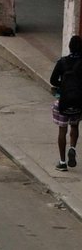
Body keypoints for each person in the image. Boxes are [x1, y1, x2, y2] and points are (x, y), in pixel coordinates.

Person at [50, 35, 82, 170]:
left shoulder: (62, 62)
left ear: (69, 47)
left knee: (62, 130)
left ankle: (62, 163)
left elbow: (53, 80)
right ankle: (73, 148)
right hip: (78, 103)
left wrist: (62, 86)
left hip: (62, 102)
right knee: (74, 126)